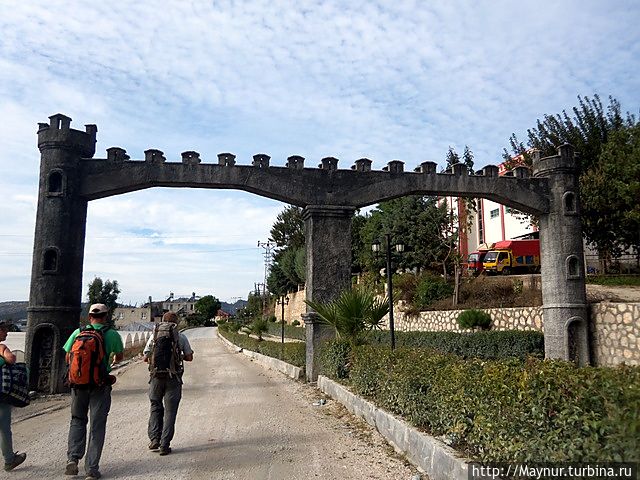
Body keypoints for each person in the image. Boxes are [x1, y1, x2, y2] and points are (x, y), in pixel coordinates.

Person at [63, 304, 124, 480]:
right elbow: (119, 357)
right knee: (97, 426)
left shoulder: (77, 333)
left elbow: (68, 357)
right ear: (106, 316)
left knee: (77, 420)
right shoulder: (112, 334)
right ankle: (91, 469)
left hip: (78, 384)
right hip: (100, 385)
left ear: (89, 316)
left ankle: (72, 458)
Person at [143, 311, 193, 455]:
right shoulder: (180, 336)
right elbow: (189, 357)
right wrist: (179, 356)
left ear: (163, 321)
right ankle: (165, 445)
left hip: (156, 377)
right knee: (170, 412)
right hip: (174, 378)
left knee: (155, 406)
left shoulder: (154, 335)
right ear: (175, 323)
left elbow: (145, 358)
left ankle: (154, 440)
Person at [0, 321, 26, 472]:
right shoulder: (1, 347)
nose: (7, 332)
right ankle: (9, 460)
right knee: (3, 428)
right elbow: (11, 359)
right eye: (3, 329)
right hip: (1, 394)